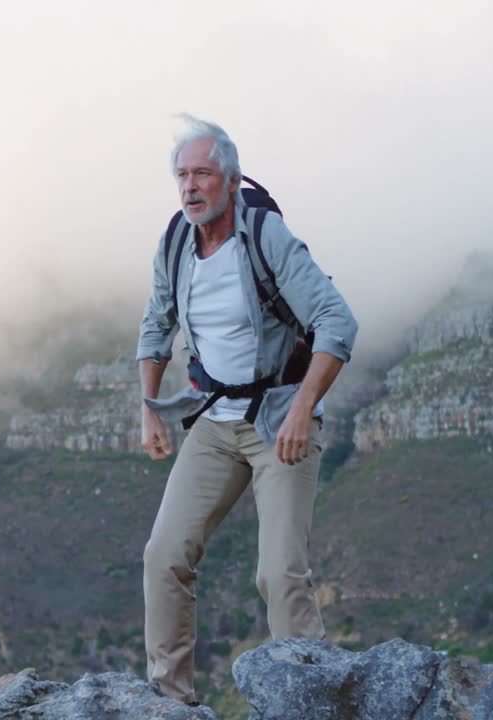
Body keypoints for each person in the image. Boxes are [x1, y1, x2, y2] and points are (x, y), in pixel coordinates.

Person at [135, 115, 357, 704]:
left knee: (279, 573)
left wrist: (304, 409)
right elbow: (156, 325)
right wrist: (150, 408)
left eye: (203, 173)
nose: (190, 186)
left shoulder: (266, 238)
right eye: (182, 175)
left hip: (279, 420)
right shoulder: (176, 241)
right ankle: (169, 699)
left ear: (231, 181)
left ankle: (310, 699)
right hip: (213, 423)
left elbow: (337, 322)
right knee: (164, 556)